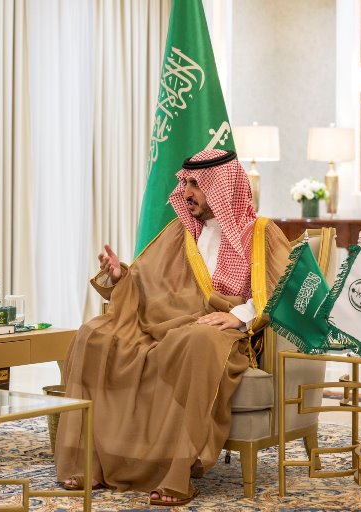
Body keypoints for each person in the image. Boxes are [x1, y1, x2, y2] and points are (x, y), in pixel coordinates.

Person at [53, 149, 290, 506]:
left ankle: (174, 473)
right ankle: (92, 464)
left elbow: (282, 289)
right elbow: (145, 282)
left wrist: (241, 315)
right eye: (186, 183)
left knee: (196, 339)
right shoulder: (180, 231)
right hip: (165, 322)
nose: (187, 192)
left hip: (224, 333)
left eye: (196, 184)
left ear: (223, 187)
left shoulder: (261, 233)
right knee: (93, 334)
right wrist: (119, 276)